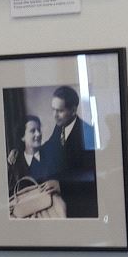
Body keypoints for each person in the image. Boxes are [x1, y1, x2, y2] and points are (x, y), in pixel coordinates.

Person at [41, 85, 98, 218]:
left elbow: (91, 175)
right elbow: (50, 147)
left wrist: (62, 185)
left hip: (80, 205)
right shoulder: (60, 125)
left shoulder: (88, 133)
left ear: (73, 110)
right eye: (53, 110)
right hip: (61, 201)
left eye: (59, 110)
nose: (54, 115)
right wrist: (22, 149)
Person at [6, 115, 65, 219]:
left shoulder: (50, 152)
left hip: (53, 211)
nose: (38, 134)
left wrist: (60, 185)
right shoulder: (15, 163)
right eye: (32, 131)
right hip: (25, 215)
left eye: (39, 130)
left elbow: (59, 128)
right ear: (22, 137)